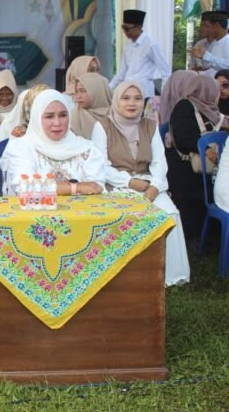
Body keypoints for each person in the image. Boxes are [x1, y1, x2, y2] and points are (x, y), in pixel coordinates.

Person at [95, 81, 190, 286]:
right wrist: (129, 181)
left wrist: (156, 186)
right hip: (117, 185)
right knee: (125, 218)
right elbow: (100, 166)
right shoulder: (102, 126)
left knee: (170, 214)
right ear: (116, 100)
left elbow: (159, 162)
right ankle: (127, 276)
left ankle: (173, 276)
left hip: (149, 184)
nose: (132, 103)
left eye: (137, 98)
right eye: (125, 98)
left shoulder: (149, 125)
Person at [2, 89, 106, 196]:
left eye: (63, 115)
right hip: (36, 212)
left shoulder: (86, 149)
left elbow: (95, 187)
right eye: (49, 116)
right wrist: (75, 187)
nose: (57, 123)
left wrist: (47, 188)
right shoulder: (22, 147)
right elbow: (25, 187)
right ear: (37, 118)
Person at [165, 75, 225, 239]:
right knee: (190, 206)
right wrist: (205, 149)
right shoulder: (184, 106)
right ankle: (192, 239)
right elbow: (183, 136)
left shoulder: (211, 109)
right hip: (184, 167)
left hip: (204, 168)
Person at [109, 9, 171, 100]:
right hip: (127, 91)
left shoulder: (150, 45)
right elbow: (122, 72)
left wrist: (164, 96)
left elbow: (166, 72)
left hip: (144, 94)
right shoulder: (128, 45)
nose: (125, 32)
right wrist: (109, 88)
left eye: (128, 29)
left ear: (139, 27)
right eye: (123, 28)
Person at [70, 73, 112, 140]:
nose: (78, 96)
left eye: (83, 91)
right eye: (77, 92)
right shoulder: (75, 116)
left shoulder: (116, 116)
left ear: (98, 91)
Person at [188, 11, 229, 77]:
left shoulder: (227, 42)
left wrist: (207, 56)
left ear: (217, 26)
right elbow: (209, 68)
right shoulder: (214, 44)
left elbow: (227, 65)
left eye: (206, 26)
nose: (202, 28)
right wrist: (202, 57)